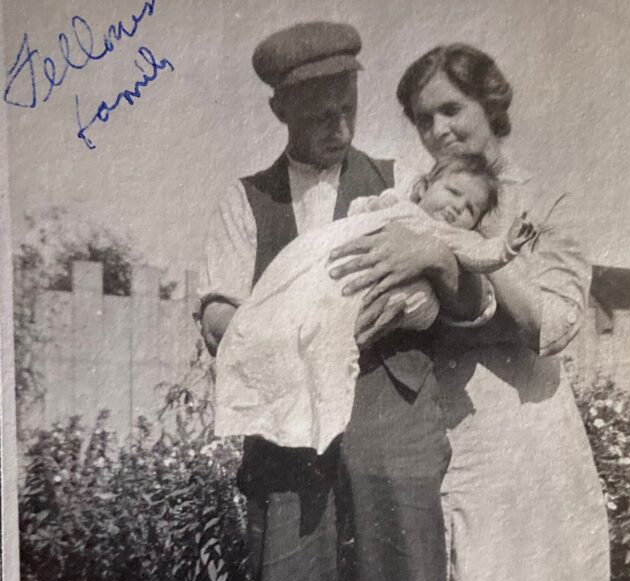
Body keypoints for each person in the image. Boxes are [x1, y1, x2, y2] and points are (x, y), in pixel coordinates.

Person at [197, 24, 494, 581]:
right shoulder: (243, 202)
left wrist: (424, 283)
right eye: (317, 107)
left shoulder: (403, 186)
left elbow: (463, 291)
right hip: (290, 426)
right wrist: (271, 335)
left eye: (348, 104)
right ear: (280, 107)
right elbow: (217, 315)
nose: (336, 120)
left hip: (389, 408)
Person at [334, 43, 618, 581]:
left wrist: (449, 259)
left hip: (524, 423)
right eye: (422, 118)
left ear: (491, 103)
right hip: (440, 420)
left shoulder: (546, 198)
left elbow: (554, 322)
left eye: (450, 109)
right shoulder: (413, 199)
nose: (437, 132)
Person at [215, 152, 534, 454]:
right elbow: (359, 213)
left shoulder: (448, 236)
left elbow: (481, 256)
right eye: (452, 192)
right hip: (353, 274)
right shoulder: (396, 202)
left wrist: (506, 246)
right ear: (423, 187)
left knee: (392, 311)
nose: (456, 209)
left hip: (403, 308)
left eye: (469, 210)